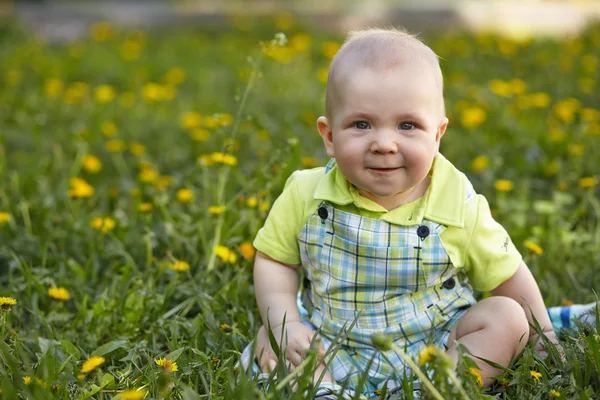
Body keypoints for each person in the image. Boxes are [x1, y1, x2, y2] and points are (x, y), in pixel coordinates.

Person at [240, 28, 597, 399]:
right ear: (329, 136)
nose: (383, 143)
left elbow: (508, 274)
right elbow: (274, 261)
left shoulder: (457, 202)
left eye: (407, 125)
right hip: (332, 343)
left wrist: (544, 336)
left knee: (508, 317)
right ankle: (327, 390)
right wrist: (288, 323)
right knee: (270, 337)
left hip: (438, 345)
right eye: (361, 124)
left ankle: (439, 389)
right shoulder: (305, 193)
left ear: (437, 135)